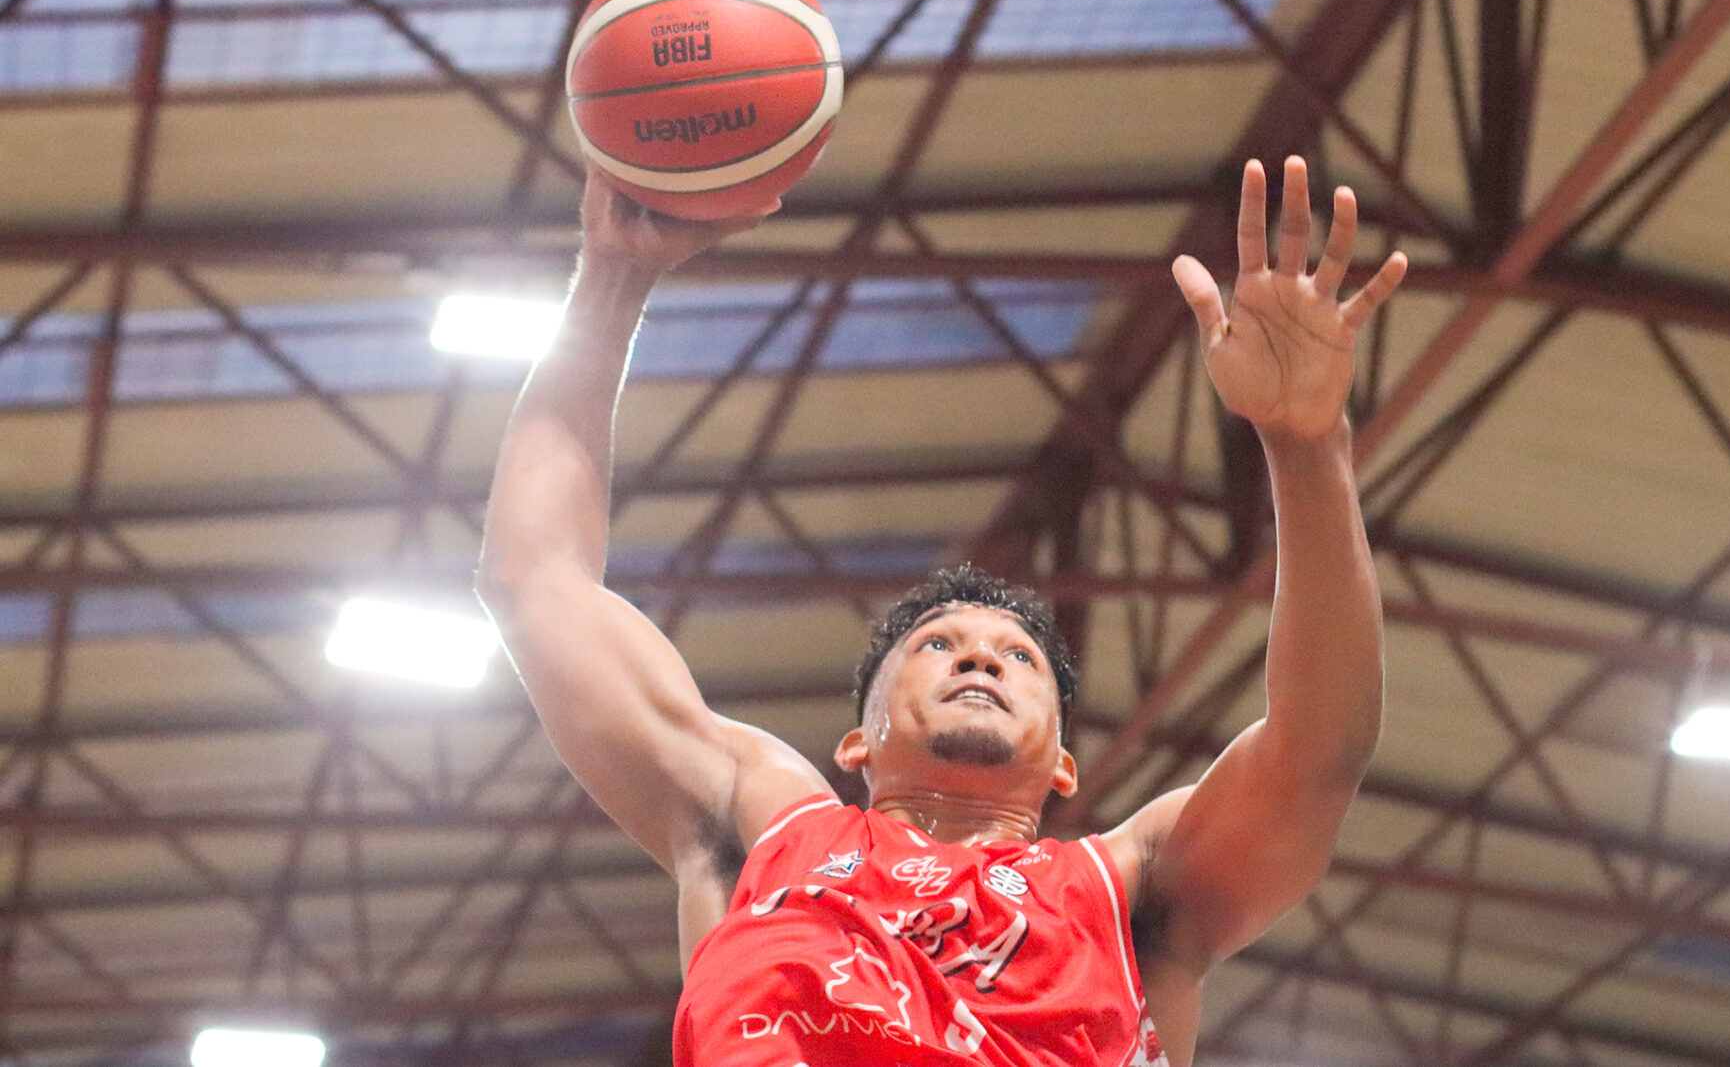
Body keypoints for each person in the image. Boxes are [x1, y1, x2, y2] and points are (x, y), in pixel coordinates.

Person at [478, 156, 1407, 1066]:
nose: (982, 659)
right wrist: (613, 278)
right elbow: (536, 582)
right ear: (856, 744)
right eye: (938, 644)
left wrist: (1306, 444)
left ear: (1064, 767)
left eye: (1019, 657)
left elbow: (1320, 748)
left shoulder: (1133, 888)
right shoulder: (764, 825)